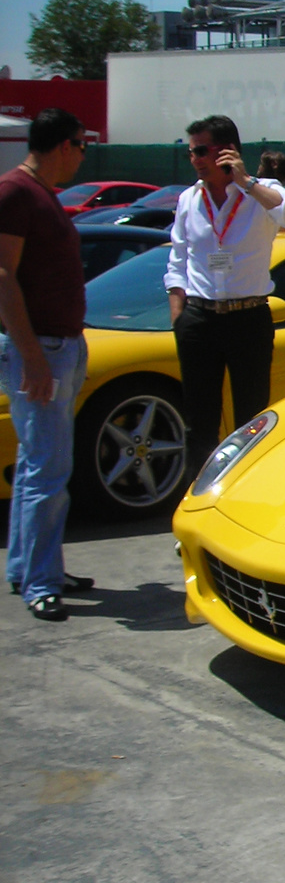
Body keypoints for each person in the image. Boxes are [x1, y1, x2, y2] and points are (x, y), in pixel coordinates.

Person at [165, 115, 285, 474]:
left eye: (201, 150)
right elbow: (178, 258)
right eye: (191, 153)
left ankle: (245, 488)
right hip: (199, 318)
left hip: (248, 319)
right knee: (199, 421)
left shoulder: (262, 192)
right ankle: (198, 498)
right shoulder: (189, 199)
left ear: (227, 151)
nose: (195, 159)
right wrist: (179, 313)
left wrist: (245, 181)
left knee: (251, 420)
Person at [0, 108, 93, 620]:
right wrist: (32, 356)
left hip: (61, 346)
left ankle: (34, 567)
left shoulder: (39, 195)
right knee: (46, 471)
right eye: (81, 145)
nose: (83, 155)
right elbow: (2, 275)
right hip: (43, 350)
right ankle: (41, 581)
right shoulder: (16, 193)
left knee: (44, 464)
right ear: (64, 145)